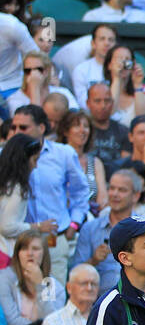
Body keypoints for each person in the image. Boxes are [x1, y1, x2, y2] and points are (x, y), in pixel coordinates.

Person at [8, 104, 90, 282]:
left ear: (42, 128)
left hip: (54, 240)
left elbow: (81, 190)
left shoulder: (63, 154)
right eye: (13, 127)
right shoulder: (5, 156)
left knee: (52, 296)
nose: (16, 132)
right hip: (17, 243)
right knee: (22, 301)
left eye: (23, 127)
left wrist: (74, 223)